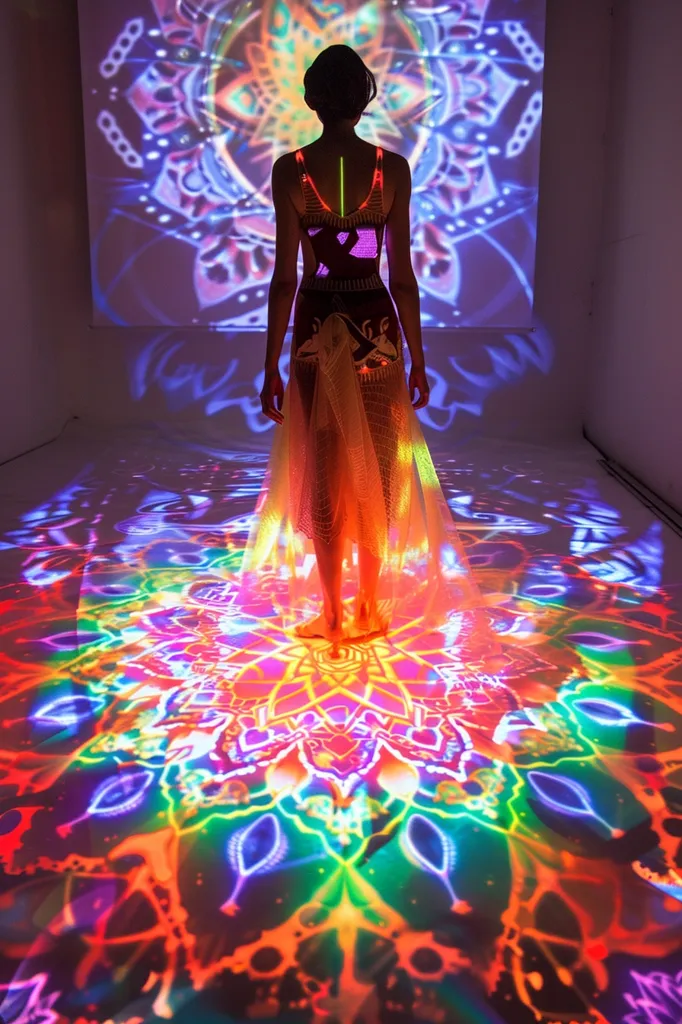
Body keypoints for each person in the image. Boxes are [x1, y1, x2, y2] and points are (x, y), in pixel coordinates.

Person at [241, 44, 486, 647]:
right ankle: (372, 607)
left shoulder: (290, 170)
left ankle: (329, 613)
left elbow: (285, 277)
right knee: (378, 466)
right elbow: (402, 276)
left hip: (314, 327)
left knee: (323, 468)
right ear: (365, 97)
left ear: (312, 98)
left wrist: (269, 362)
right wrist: (420, 358)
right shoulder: (391, 169)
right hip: (376, 328)